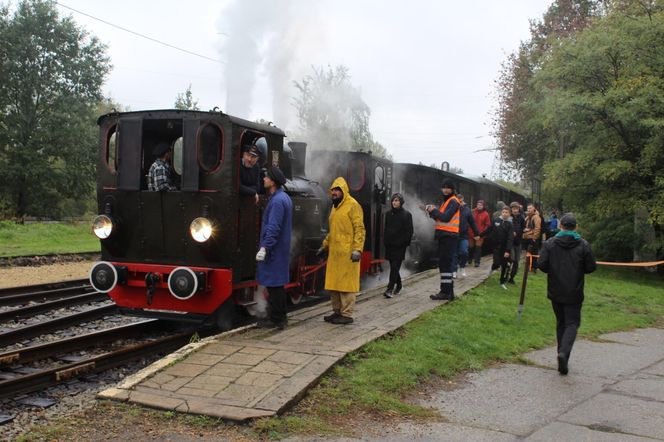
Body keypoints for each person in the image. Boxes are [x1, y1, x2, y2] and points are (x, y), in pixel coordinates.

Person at [538, 213, 596, 375]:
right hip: (574, 290)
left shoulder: (550, 243)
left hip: (555, 290)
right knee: (572, 323)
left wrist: (553, 269)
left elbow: (541, 264)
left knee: (561, 322)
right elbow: (591, 267)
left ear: (560, 226)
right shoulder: (583, 245)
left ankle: (561, 354)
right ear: (576, 227)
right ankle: (564, 354)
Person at [319, 177, 366, 324]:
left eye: (337, 190)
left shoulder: (353, 205)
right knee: (334, 285)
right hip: (335, 253)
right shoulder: (334, 208)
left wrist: (358, 249)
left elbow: (360, 229)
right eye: (332, 190)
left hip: (348, 253)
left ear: (343, 191)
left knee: (346, 286)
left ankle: (346, 315)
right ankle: (337, 311)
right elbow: (333, 231)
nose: (334, 192)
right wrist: (324, 245)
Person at [255, 167, 292, 330]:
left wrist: (264, 247)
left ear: (273, 181)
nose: (264, 179)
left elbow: (274, 227)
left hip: (274, 249)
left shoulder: (277, 201)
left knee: (274, 284)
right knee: (276, 284)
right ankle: (278, 316)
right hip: (280, 247)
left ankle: (277, 319)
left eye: (266, 177)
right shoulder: (283, 197)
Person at [425, 179, 460, 301]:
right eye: (443, 187)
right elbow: (440, 219)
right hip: (445, 236)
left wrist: (434, 210)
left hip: (449, 236)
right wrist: (431, 212)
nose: (445, 189)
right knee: (444, 264)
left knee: (446, 265)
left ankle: (447, 292)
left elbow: (446, 217)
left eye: (448, 187)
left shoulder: (454, 202)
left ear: (452, 189)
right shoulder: (446, 202)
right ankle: (447, 291)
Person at [383, 193, 413, 298]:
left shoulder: (407, 215)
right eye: (393, 201)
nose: (394, 202)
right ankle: (399, 285)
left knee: (395, 266)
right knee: (393, 267)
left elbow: (409, 231)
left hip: (400, 246)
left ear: (401, 202)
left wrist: (404, 242)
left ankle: (389, 289)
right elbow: (386, 228)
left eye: (397, 201)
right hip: (390, 245)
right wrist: (385, 241)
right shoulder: (388, 214)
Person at [481, 206, 514, 289]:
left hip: (505, 248)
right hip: (496, 247)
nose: (505, 214)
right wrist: (480, 235)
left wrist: (508, 250)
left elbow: (510, 238)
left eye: (506, 213)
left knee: (504, 265)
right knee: (496, 263)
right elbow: (489, 229)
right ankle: (491, 271)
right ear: (501, 213)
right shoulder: (496, 220)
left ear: (509, 214)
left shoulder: (510, 224)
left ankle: (502, 282)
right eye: (503, 212)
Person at [453, 194, 480, 278]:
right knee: (454, 254)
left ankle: (462, 267)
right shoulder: (452, 209)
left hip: (464, 235)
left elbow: (472, 222)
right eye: (457, 201)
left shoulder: (467, 210)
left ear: (463, 200)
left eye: (460, 201)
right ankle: (454, 271)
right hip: (453, 234)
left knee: (464, 252)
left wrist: (476, 233)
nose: (459, 203)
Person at [469, 199, 491, 267]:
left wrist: (482, 233)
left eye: (481, 205)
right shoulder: (472, 212)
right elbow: (468, 221)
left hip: (480, 234)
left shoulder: (486, 214)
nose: (479, 206)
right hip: (471, 232)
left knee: (478, 248)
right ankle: (469, 259)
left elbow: (487, 225)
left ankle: (477, 262)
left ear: (483, 206)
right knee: (470, 247)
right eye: (478, 205)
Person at [508, 201, 525, 284]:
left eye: (516, 208)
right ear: (511, 209)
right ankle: (506, 274)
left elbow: (523, 228)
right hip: (509, 242)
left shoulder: (521, 218)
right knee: (511, 258)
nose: (515, 210)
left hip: (518, 242)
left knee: (516, 261)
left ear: (519, 209)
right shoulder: (508, 217)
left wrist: (518, 232)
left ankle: (512, 277)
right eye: (513, 208)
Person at [523, 203, 543, 271]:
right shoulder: (528, 217)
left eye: (530, 208)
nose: (529, 209)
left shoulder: (536, 217)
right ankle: (529, 267)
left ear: (534, 208)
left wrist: (534, 238)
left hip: (532, 238)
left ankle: (533, 268)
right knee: (529, 253)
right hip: (527, 237)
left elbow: (537, 228)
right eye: (528, 208)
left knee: (534, 254)